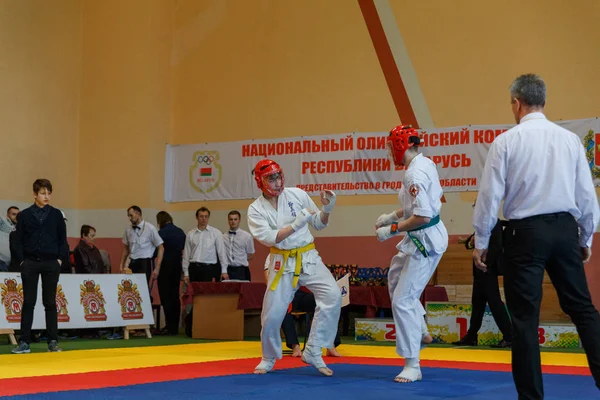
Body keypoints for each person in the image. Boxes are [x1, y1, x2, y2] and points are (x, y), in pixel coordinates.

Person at [473, 73, 600, 399]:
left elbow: (489, 198)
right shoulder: (569, 140)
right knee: (583, 310)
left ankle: (531, 398)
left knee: (525, 320)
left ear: (516, 103)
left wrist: (482, 242)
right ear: (543, 101)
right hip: (563, 229)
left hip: (524, 233)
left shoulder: (506, 142)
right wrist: (585, 239)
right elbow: (587, 196)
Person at [248, 159, 341, 376]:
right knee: (272, 315)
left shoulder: (297, 194)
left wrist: (327, 208)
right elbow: (270, 238)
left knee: (333, 295)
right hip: (281, 261)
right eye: (271, 178)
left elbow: (319, 222)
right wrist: (296, 224)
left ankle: (314, 350)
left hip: (308, 256)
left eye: (278, 176)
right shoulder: (255, 210)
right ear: (260, 182)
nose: (278, 181)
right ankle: (268, 357)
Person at [375, 125, 448, 383]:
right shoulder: (423, 163)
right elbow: (414, 205)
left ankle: (412, 364)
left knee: (403, 300)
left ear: (399, 146)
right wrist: (392, 215)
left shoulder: (414, 174)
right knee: (395, 281)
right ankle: (421, 330)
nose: (387, 151)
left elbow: (423, 215)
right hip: (418, 238)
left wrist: (392, 229)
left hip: (425, 241)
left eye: (388, 146)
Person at [12, 179, 69, 354]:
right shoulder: (25, 215)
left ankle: (53, 341)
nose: (46, 197)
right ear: (35, 194)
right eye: (43, 193)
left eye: (49, 193)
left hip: (51, 263)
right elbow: (18, 240)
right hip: (30, 263)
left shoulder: (57, 215)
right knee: (28, 302)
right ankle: (24, 342)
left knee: (50, 302)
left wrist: (60, 260)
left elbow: (62, 240)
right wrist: (22, 260)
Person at [453, 200, 512, 348]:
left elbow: (497, 247)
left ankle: (509, 336)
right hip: (480, 270)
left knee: (495, 303)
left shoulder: (494, 223)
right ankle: (471, 336)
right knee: (477, 304)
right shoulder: (483, 223)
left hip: (486, 269)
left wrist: (486, 265)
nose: (475, 208)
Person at [263, 255, 342, 357]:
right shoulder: (273, 255)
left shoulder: (304, 251)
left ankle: (330, 344)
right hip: (282, 292)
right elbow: (268, 280)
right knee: (281, 309)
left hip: (301, 292)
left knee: (326, 301)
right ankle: (294, 345)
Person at [156, 211, 186, 335]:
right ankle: (175, 326)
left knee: (165, 296)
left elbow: (156, 251)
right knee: (175, 296)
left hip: (165, 267)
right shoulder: (180, 232)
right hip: (177, 266)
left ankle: (168, 325)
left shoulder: (161, 233)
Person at [223, 210, 255, 281]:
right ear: (228, 221)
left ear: (239, 220)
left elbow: (251, 254)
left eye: (235, 219)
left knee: (243, 291)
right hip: (228, 270)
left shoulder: (247, 236)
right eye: (231, 219)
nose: (233, 221)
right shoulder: (223, 237)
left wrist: (240, 259)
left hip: (242, 270)